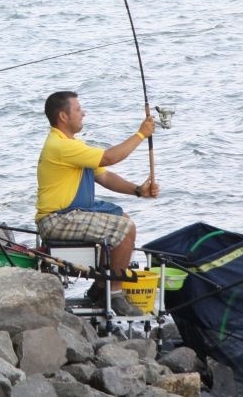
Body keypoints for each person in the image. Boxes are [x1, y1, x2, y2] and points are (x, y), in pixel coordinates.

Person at [36, 90, 157, 316]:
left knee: (123, 220)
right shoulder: (60, 146)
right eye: (79, 109)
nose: (84, 113)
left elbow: (104, 176)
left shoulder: (71, 144)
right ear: (63, 116)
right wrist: (141, 134)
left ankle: (101, 287)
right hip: (57, 219)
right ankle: (115, 294)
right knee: (125, 229)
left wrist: (138, 191)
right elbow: (109, 157)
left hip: (71, 213)